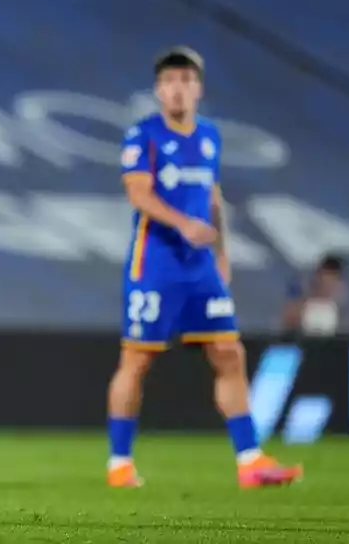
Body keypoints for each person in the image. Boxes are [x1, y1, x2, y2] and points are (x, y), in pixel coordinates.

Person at [106, 46, 301, 489]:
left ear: (198, 88)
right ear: (158, 90)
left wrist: (223, 254)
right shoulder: (143, 135)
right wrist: (183, 225)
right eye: (170, 81)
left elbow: (213, 199)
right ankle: (119, 463)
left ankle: (250, 461)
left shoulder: (209, 136)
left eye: (186, 80)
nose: (178, 89)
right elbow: (138, 194)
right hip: (154, 264)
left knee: (229, 354)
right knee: (136, 361)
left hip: (201, 269)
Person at [281, 253, 347, 338]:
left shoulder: (341, 301)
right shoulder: (303, 297)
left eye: (334, 275)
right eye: (327, 273)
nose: (329, 280)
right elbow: (288, 322)